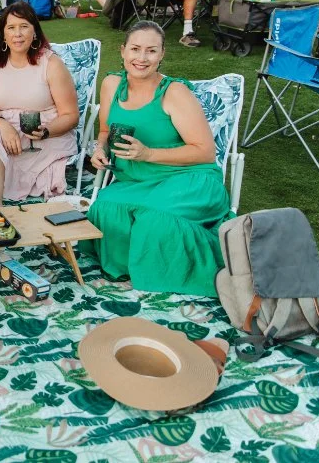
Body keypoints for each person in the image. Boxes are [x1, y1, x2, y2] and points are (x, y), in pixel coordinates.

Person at [82, 21, 232, 296]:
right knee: (105, 206)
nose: (141, 58)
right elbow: (105, 130)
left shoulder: (174, 92)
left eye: (151, 51)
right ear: (123, 50)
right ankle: (136, 264)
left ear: (162, 55)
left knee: (154, 218)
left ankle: (221, 269)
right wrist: (100, 148)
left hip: (190, 179)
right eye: (135, 49)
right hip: (139, 180)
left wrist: (149, 153)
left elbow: (204, 151)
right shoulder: (111, 84)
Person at [0, 1, 78, 205]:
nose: (17, 34)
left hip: (41, 132)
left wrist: (45, 131)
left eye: (24, 26)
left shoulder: (51, 64)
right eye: (11, 27)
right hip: (3, 125)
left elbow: (71, 115)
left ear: (34, 32)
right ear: (3, 34)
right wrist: (2, 125)